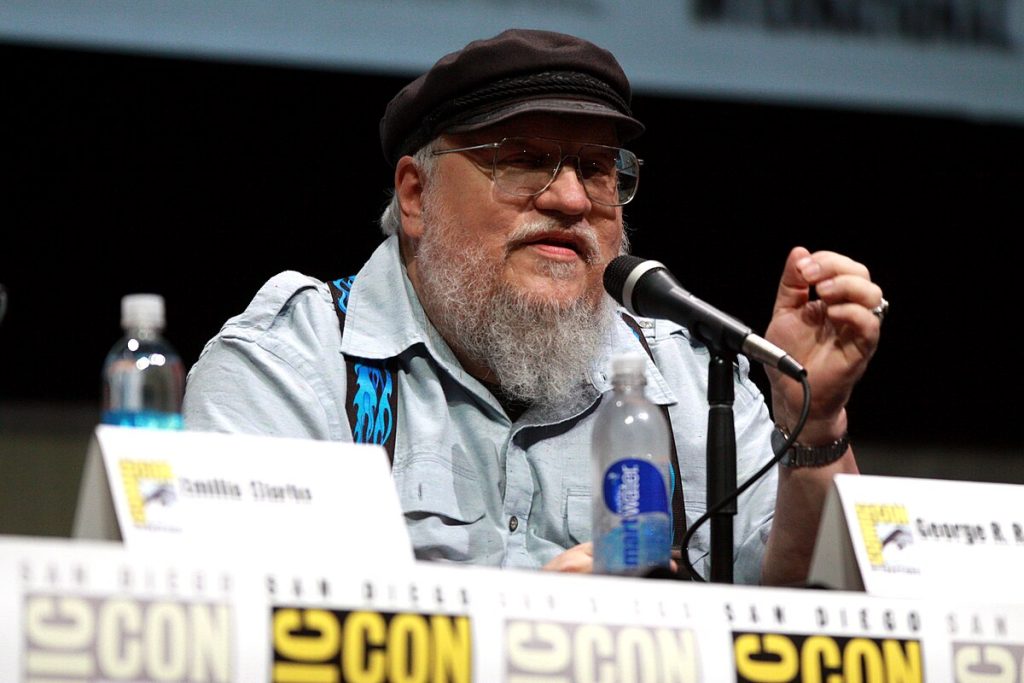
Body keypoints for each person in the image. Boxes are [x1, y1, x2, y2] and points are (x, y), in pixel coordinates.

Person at [182, 28, 885, 586]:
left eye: (598, 169)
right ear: (415, 195)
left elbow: (807, 613)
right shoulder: (295, 363)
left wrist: (815, 421)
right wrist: (534, 635)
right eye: (522, 158)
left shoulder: (687, 378)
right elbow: (253, 634)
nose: (572, 200)